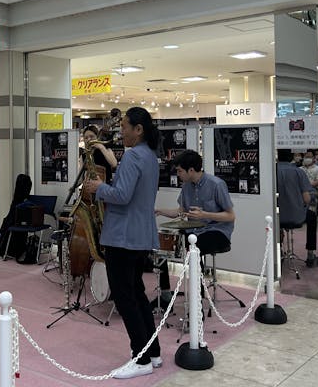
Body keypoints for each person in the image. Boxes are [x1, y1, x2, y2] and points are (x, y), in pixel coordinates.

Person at [82, 107, 161, 380]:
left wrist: (98, 188)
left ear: (138, 130)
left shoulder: (133, 156)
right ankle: (153, 352)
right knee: (137, 293)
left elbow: (122, 195)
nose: (121, 131)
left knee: (125, 297)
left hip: (123, 237)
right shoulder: (150, 156)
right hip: (140, 236)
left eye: (125, 126)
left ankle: (141, 358)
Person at [155, 149, 237, 285]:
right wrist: (159, 211)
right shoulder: (186, 186)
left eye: (180, 171)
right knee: (161, 246)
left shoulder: (216, 184)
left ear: (191, 170)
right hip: (193, 231)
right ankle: (165, 292)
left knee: (194, 248)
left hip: (217, 231)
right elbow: (180, 211)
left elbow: (231, 216)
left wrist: (204, 214)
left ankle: (198, 292)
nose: (177, 174)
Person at [276, 149, 313, 268]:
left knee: (275, 223)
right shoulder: (299, 172)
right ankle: (311, 254)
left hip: (276, 216)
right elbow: (307, 198)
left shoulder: (271, 171)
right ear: (291, 156)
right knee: (312, 218)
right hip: (296, 217)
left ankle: (278, 250)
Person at [301, 151, 318, 266]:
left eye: (309, 157)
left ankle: (310, 253)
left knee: (312, 221)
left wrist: (306, 186)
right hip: (299, 197)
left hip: (312, 196)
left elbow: (317, 182)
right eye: (306, 157)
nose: (307, 159)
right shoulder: (299, 170)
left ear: (314, 158)